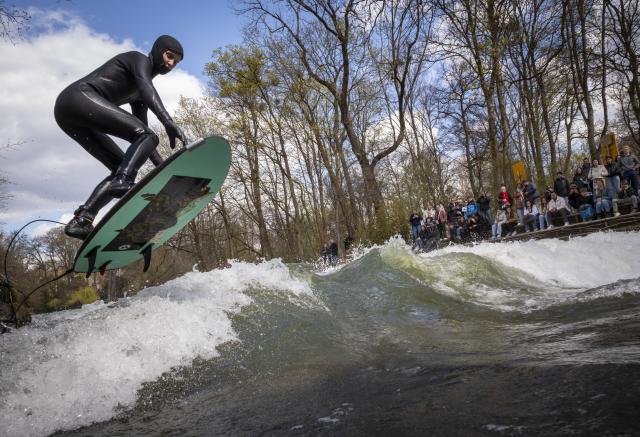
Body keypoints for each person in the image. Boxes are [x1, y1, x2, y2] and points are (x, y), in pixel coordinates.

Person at [56, 35, 188, 239]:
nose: (171, 64)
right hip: (77, 97)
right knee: (140, 147)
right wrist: (167, 121)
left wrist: (162, 168)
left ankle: (83, 219)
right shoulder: (138, 60)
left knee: (125, 161)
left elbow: (143, 135)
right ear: (156, 51)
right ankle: (123, 180)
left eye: (176, 62)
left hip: (69, 116)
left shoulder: (140, 94)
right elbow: (146, 86)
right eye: (169, 56)